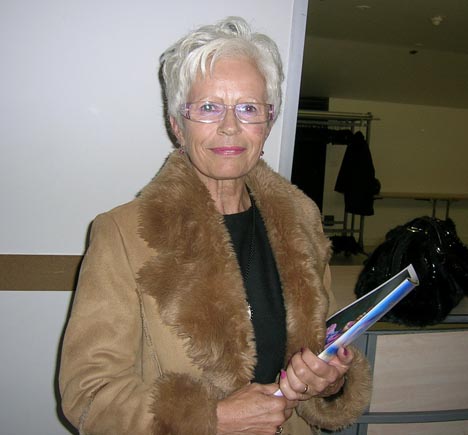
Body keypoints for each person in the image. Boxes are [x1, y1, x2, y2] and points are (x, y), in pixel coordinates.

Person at [59, 16, 372, 435]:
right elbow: (87, 394)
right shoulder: (121, 234)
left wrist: (328, 381)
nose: (230, 126)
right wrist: (212, 418)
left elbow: (323, 343)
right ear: (177, 125)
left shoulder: (301, 219)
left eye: (248, 108)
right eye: (208, 107)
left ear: (268, 123)